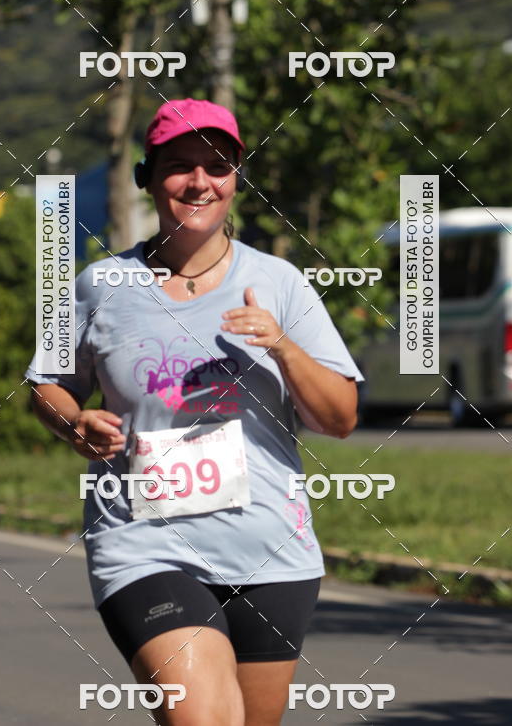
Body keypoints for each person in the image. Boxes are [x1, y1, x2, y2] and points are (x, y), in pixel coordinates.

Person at [26, 97, 364, 726]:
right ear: (148, 179)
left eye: (217, 165)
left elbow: (340, 418)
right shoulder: (100, 285)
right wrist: (73, 421)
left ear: (235, 178)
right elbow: (46, 385)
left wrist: (283, 346)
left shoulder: (281, 283)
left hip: (270, 549)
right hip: (144, 543)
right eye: (180, 166)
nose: (199, 181)